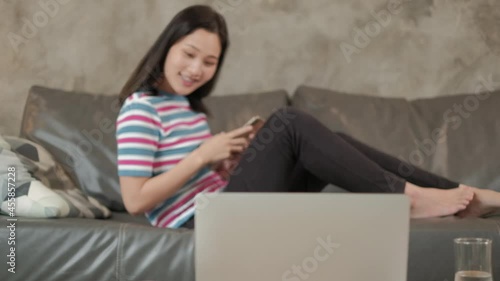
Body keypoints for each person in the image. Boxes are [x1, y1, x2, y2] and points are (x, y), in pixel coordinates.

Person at [116, 5, 500, 229]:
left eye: (210, 61)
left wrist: (228, 166)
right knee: (289, 123)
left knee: (334, 141)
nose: (196, 68)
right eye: (189, 53)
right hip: (203, 224)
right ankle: (409, 200)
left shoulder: (185, 108)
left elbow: (195, 180)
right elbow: (135, 201)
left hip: (222, 207)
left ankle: (461, 196)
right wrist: (202, 155)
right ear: (167, 46)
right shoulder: (140, 109)